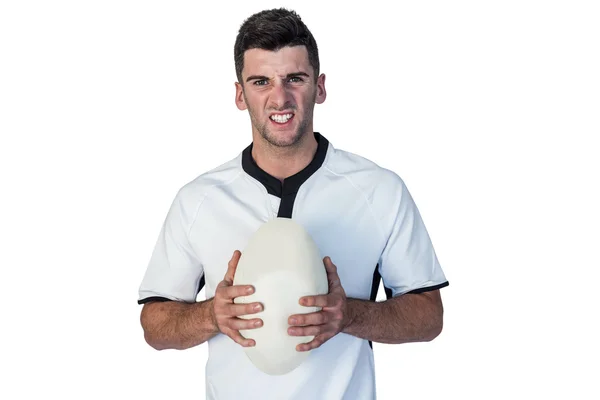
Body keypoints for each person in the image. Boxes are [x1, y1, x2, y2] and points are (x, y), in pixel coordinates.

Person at [138, 7, 449, 400]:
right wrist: (209, 315)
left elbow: (429, 317)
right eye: (261, 81)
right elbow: (154, 323)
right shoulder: (198, 199)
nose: (279, 97)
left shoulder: (378, 190)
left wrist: (348, 315)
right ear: (239, 94)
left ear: (319, 87)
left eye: (294, 79)